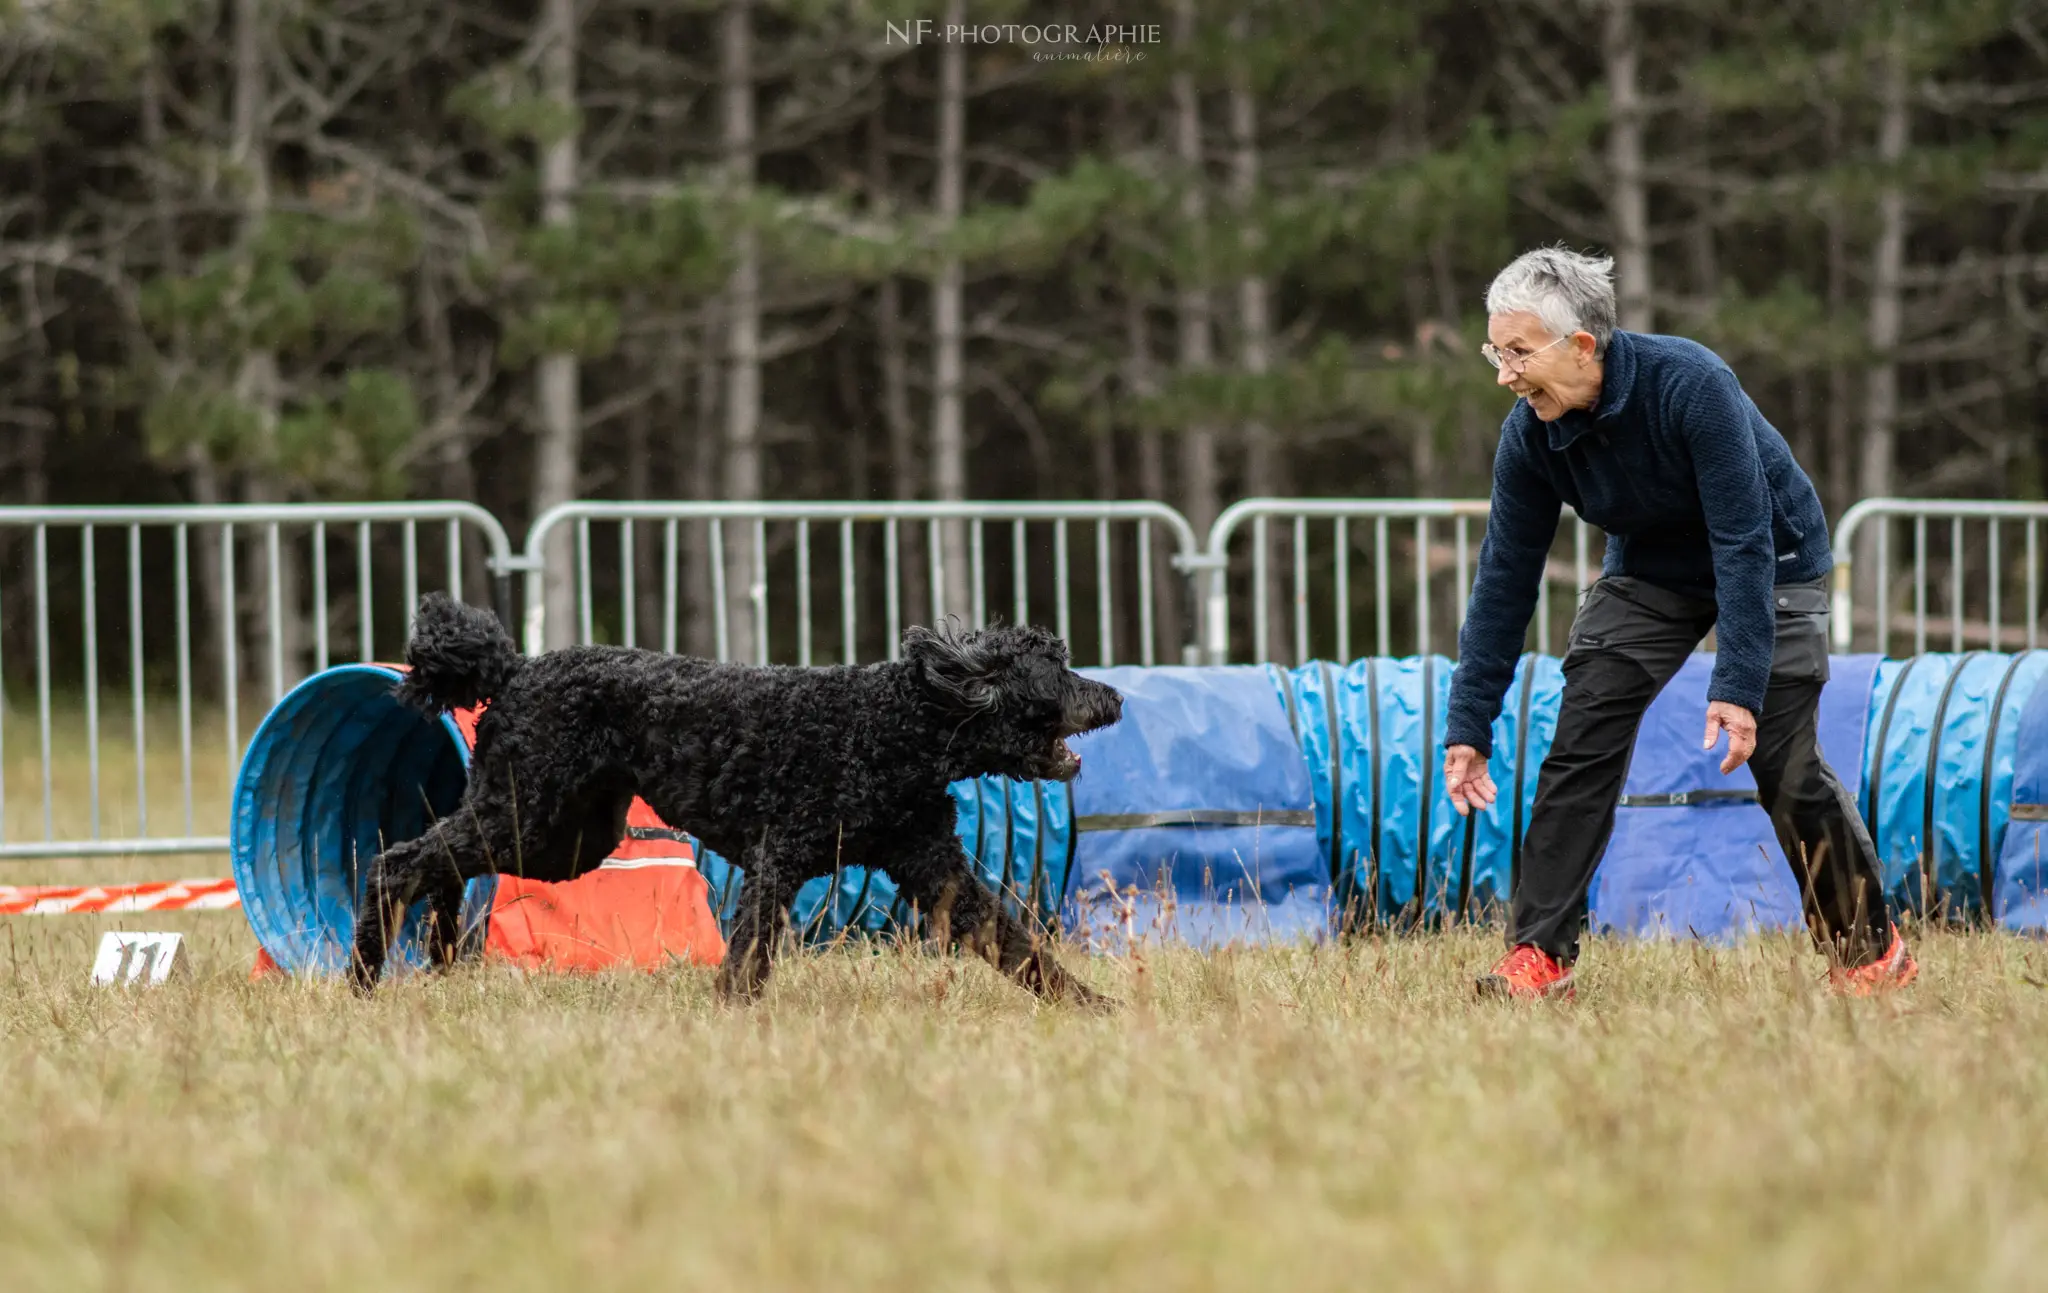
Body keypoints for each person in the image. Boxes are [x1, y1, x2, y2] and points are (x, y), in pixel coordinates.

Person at [1442, 246, 1917, 1001]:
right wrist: (1469, 721)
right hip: (1650, 569)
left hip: (1774, 554)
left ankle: (1869, 952)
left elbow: (1743, 537)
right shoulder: (1530, 433)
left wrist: (1736, 685)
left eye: (1518, 353)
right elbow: (1504, 580)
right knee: (1583, 734)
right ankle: (1540, 954)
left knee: (1783, 762)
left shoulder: (1691, 384)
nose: (1504, 373)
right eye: (1495, 352)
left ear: (1583, 346)